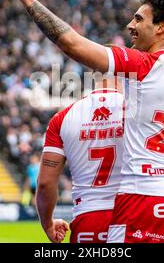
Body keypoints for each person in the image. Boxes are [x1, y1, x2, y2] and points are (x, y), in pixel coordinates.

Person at [0, 0, 164, 243]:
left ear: (161, 27)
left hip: (145, 198)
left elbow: (71, 44)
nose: (130, 26)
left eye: (138, 19)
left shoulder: (144, 67)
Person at [37, 76, 124, 243]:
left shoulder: (62, 118)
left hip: (88, 216)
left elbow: (45, 183)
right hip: (131, 213)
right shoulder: (137, 110)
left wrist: (47, 223)